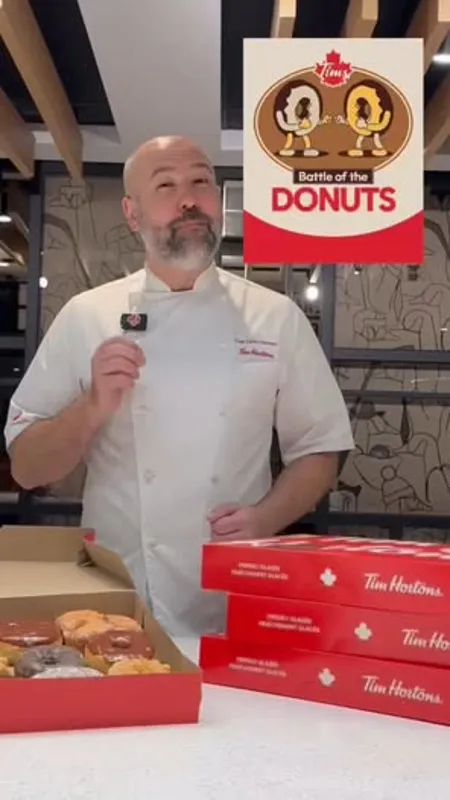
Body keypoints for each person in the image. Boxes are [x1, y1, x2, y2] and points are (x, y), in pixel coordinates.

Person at [4, 135, 354, 636]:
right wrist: (91, 406)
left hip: (228, 587)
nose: (188, 199)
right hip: (116, 587)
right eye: (165, 185)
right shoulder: (87, 316)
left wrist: (266, 518)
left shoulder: (275, 317)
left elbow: (321, 448)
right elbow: (27, 467)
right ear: (132, 213)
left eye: (201, 182)